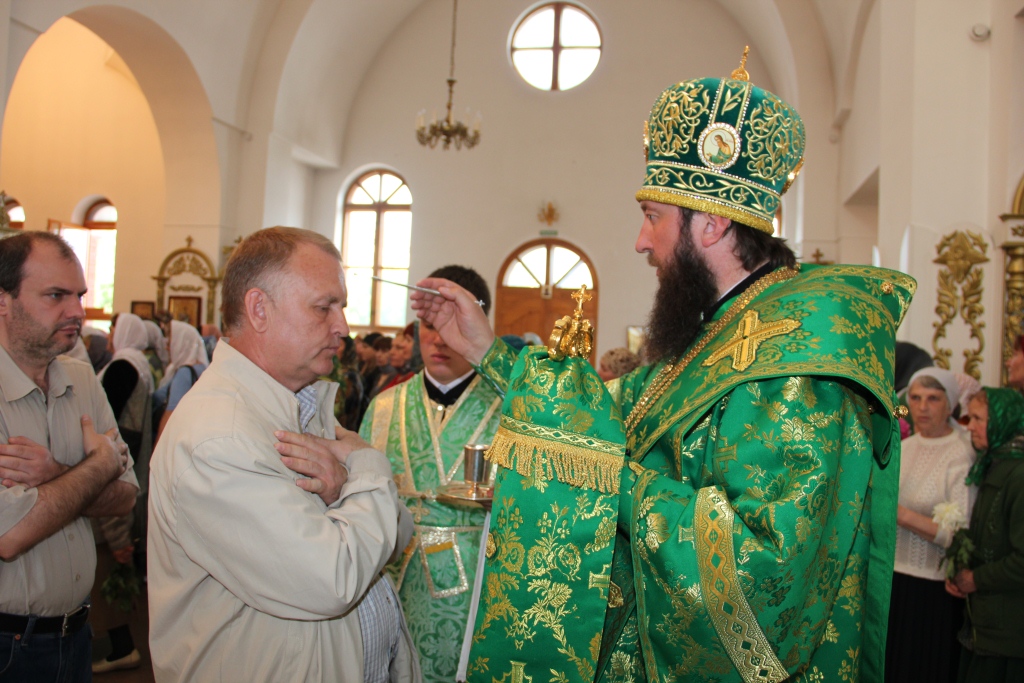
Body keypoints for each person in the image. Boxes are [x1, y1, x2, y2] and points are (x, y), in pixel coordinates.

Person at [412, 53, 915, 682]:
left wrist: (612, 480)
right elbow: (601, 411)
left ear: (711, 225)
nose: (640, 241)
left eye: (653, 217)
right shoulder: (714, 335)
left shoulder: (800, 362)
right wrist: (487, 350)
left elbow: (763, 577)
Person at [147, 226, 419, 683]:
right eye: (323, 307)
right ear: (259, 309)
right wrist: (367, 466)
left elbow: (396, 535)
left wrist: (347, 487)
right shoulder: (220, 438)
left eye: (341, 307)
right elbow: (333, 581)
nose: (342, 327)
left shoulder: (302, 406)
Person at [0, 231, 136, 681]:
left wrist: (55, 474)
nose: (77, 311)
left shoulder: (81, 378)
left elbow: (126, 497)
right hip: (8, 642)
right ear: (3, 301)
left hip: (75, 634)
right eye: (56, 295)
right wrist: (98, 466)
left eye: (79, 295)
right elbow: (11, 533)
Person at [361, 265, 501, 683]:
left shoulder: (509, 409)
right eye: (428, 325)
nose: (439, 340)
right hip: (392, 583)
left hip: (477, 592)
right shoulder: (383, 406)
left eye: (452, 324)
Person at [886, 368, 974, 682]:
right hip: (895, 580)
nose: (922, 407)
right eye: (916, 397)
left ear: (950, 405)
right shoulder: (904, 447)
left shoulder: (962, 452)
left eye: (933, 399)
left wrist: (901, 515)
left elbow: (960, 534)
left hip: (935, 590)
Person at [946, 387, 1024, 682]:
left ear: (1004, 421)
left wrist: (976, 578)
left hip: (1008, 635)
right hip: (988, 627)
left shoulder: (1018, 476)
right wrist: (959, 568)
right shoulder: (996, 466)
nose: (970, 427)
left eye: (979, 419)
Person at [152, 319, 210, 440]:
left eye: (171, 343)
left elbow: (170, 417)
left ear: (181, 343)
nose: (167, 348)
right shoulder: (201, 367)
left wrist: (157, 448)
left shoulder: (184, 373)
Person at [322, 335, 365, 431]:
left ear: (347, 350)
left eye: (339, 345)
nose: (334, 350)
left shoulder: (350, 376)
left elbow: (348, 407)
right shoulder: (323, 373)